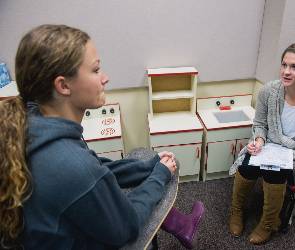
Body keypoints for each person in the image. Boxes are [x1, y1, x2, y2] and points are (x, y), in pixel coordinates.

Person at [0, 24, 204, 250]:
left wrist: (150, 166)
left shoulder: (34, 122)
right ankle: (183, 226)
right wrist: (159, 176)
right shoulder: (70, 164)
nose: (105, 78)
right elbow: (125, 227)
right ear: (63, 85)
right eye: (96, 70)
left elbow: (97, 169)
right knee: (151, 199)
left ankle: (182, 225)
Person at [228, 42, 295, 244]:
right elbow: (259, 124)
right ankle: (236, 210)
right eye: (284, 65)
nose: (286, 71)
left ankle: (268, 223)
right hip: (267, 145)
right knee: (246, 165)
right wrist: (258, 140)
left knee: (274, 171)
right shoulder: (269, 91)